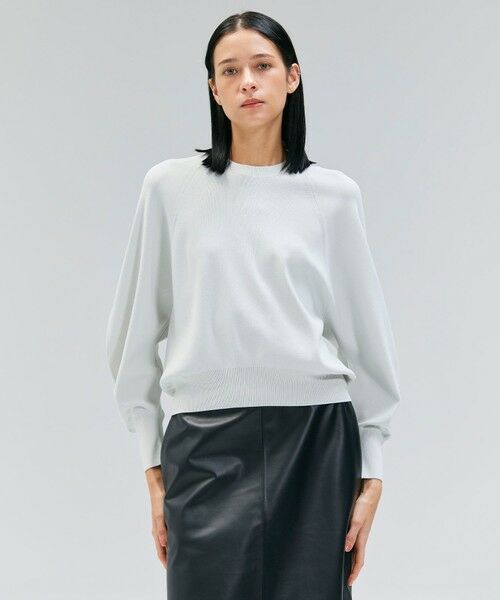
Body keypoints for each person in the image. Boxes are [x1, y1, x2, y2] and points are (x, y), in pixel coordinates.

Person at [105, 10, 401, 600]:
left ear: (292, 77)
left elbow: (367, 343)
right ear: (213, 89)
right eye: (229, 70)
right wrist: (152, 467)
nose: (247, 82)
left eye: (262, 65)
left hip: (315, 440)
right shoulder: (170, 189)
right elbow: (133, 337)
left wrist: (371, 474)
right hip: (203, 442)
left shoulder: (333, 197)